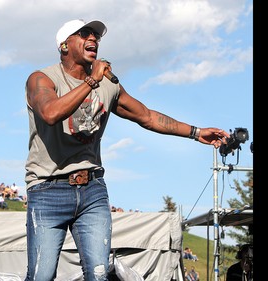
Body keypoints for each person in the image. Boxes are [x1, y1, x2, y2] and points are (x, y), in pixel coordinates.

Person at [24, 18, 230, 281]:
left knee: (99, 275)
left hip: (92, 190)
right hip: (48, 189)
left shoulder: (108, 86)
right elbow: (50, 113)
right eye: (84, 34)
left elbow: (146, 116)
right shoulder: (41, 79)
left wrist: (196, 132)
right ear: (64, 45)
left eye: (96, 36)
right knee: (41, 276)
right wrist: (90, 82)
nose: (93, 39)